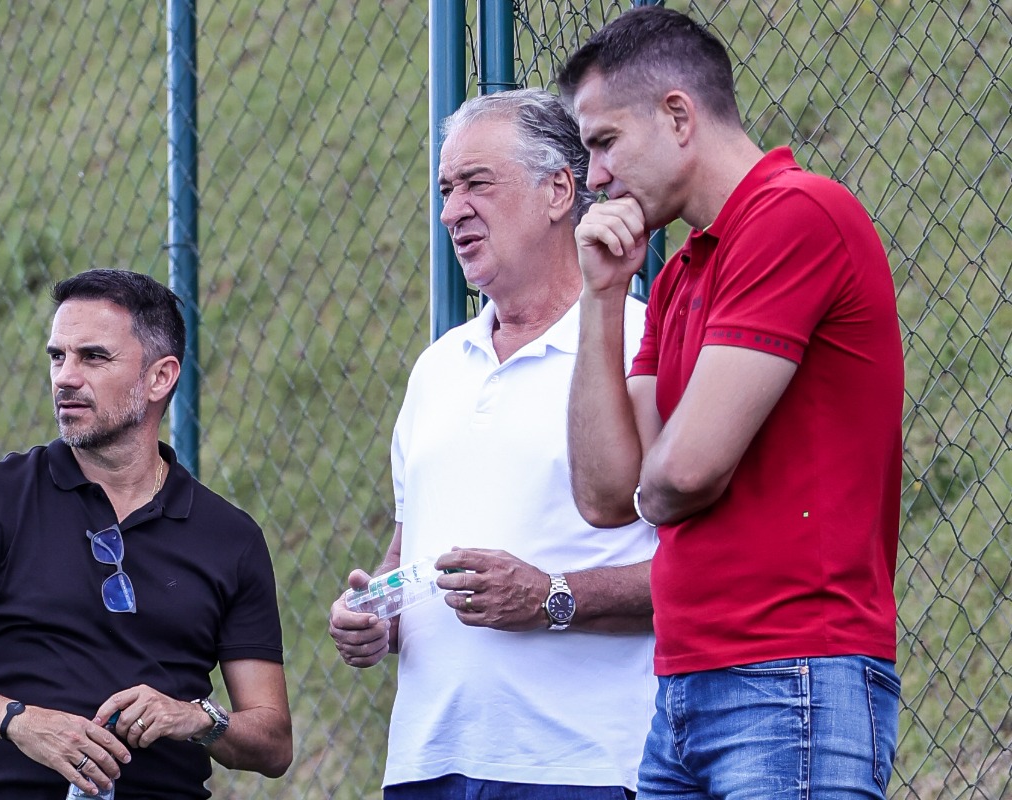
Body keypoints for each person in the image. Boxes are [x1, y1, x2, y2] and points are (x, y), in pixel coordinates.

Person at [557, 8, 903, 799]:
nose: (596, 177)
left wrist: (657, 482)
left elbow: (684, 476)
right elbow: (608, 494)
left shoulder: (795, 215)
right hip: (686, 688)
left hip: (790, 678)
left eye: (604, 142)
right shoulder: (679, 274)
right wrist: (604, 296)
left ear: (678, 115)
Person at [329, 89, 657, 799]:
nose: (451, 210)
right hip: (428, 763)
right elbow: (409, 548)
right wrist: (373, 612)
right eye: (446, 190)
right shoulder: (437, 367)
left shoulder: (642, 343)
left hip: (583, 767)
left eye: (477, 183)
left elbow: (701, 575)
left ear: (558, 191)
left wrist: (550, 596)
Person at [0, 269, 292, 799]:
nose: (65, 377)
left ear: (159, 378)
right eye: (58, 356)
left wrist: (193, 717)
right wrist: (22, 723)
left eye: (92, 357)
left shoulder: (230, 538)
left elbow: (274, 743)